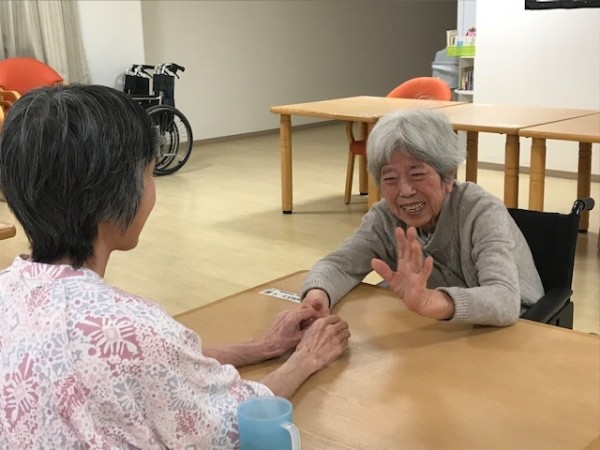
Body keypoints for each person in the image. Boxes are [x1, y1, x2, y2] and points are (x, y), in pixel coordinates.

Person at [0, 85, 350, 449]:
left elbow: (150, 370)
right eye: (149, 174)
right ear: (117, 193)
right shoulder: (131, 330)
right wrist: (305, 359)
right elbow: (231, 425)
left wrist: (260, 348)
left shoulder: (8, 290)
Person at [300, 109, 544, 327]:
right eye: (390, 178)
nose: (405, 191)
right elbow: (339, 265)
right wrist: (317, 296)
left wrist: (432, 300)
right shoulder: (384, 217)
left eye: (417, 174)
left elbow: (505, 299)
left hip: (519, 329)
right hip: (441, 329)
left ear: (448, 175)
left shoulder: (481, 211)